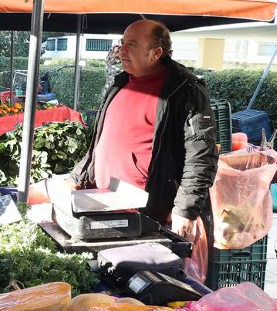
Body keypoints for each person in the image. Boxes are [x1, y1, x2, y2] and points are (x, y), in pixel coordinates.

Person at [69, 20, 218, 234]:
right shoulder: (120, 83)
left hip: (147, 216)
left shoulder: (184, 90)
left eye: (132, 44)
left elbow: (201, 154)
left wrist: (186, 209)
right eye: (122, 43)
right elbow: (99, 144)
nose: (122, 50)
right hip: (101, 204)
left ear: (156, 53)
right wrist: (76, 177)